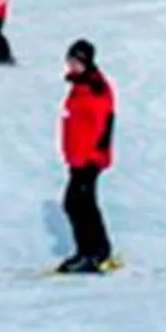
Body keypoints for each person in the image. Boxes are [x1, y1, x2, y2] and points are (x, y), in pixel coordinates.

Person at [57, 40, 118, 273]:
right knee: (82, 204)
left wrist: (92, 156)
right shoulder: (82, 84)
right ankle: (97, 250)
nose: (71, 66)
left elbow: (103, 125)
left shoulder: (94, 87)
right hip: (79, 157)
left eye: (75, 62)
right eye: (69, 61)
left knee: (76, 204)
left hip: (88, 159)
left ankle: (90, 253)